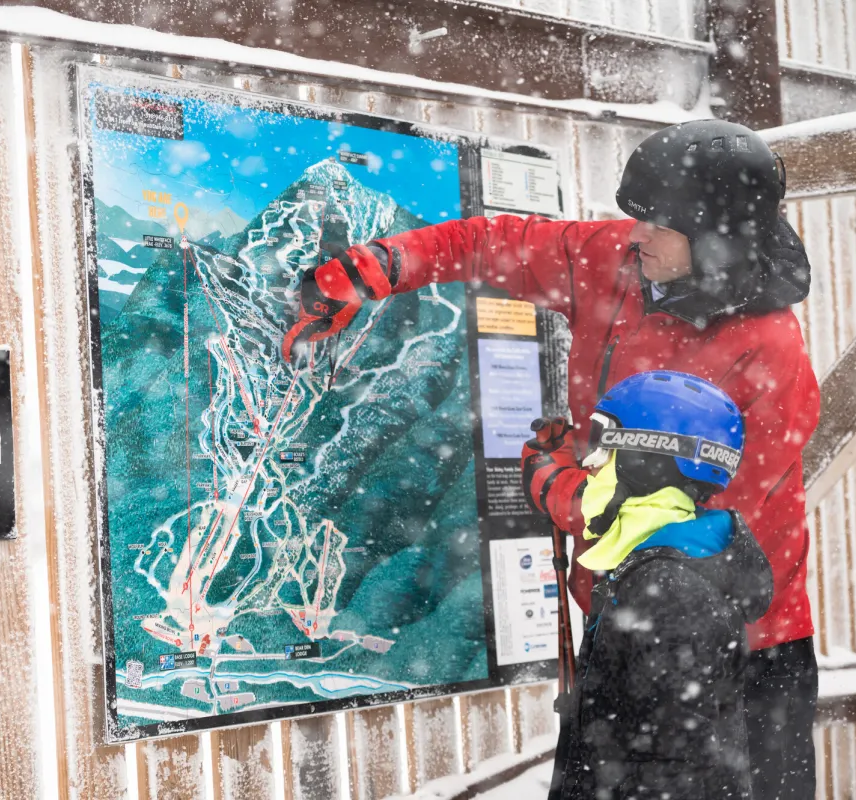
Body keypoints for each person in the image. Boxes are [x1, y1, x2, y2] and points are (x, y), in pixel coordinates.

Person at [281, 119, 820, 799]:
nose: (636, 235)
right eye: (637, 218)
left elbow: (693, 521)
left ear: (716, 240)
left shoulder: (766, 349)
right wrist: (373, 270)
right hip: (620, 630)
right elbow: (484, 245)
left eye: (659, 224)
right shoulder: (616, 260)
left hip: (736, 649)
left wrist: (561, 485)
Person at [545, 370, 773, 800]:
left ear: (650, 460)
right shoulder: (655, 569)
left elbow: (677, 769)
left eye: (604, 443)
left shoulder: (668, 591)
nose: (590, 462)